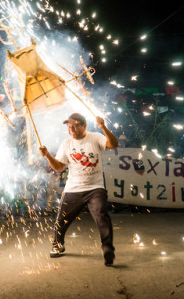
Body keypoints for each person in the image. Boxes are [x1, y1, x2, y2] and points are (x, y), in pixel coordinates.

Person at [39, 113, 119, 266]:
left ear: (84, 126)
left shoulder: (95, 137)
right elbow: (59, 168)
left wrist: (103, 127)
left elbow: (113, 144)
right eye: (69, 126)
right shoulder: (66, 144)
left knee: (101, 215)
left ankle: (108, 249)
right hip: (73, 188)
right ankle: (58, 245)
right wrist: (47, 155)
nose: (71, 129)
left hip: (95, 188)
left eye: (75, 125)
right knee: (61, 218)